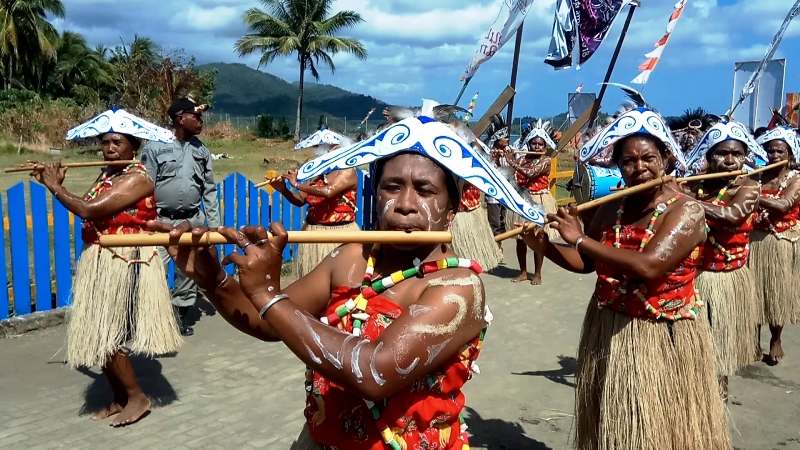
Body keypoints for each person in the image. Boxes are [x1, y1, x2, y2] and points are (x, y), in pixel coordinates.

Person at [150, 100, 543, 449]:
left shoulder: (456, 287)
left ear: (451, 210)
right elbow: (266, 323)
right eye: (392, 187)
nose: (405, 204)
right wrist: (213, 277)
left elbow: (374, 373)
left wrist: (271, 295)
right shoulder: (353, 258)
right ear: (376, 196)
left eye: (425, 191)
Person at [523, 106, 730, 450]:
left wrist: (579, 237)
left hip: (660, 333)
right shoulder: (610, 208)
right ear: (618, 166)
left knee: (659, 429)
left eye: (648, 158)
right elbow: (586, 264)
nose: (639, 168)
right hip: (608, 328)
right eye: (629, 162)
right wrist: (545, 246)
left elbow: (648, 266)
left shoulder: (687, 210)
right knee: (615, 426)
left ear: (665, 156)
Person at [36, 109, 181, 426]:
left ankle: (138, 398)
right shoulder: (108, 175)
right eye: (105, 142)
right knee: (95, 332)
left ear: (133, 145)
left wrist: (54, 188)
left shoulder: (138, 179)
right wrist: (59, 183)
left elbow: (88, 209)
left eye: (117, 142)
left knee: (108, 332)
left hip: (125, 260)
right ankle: (120, 398)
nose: (109, 148)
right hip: (100, 259)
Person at [683, 119, 764, 399]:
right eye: (722, 153)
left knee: (720, 343)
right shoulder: (696, 185)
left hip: (727, 279)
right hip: (694, 277)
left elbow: (732, 215)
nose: (730, 160)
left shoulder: (750, 187)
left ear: (745, 157)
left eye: (737, 154)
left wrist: (682, 199)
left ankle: (719, 394)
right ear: (709, 156)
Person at [140, 97, 221, 337]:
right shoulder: (155, 147)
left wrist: (214, 227)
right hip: (161, 221)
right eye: (196, 116)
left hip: (192, 220)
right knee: (153, 269)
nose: (200, 121)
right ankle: (149, 317)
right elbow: (144, 186)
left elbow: (209, 189)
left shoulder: (202, 150)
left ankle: (180, 316)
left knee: (188, 271)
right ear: (180, 118)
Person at [269, 139, 359, 279]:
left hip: (340, 232)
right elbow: (300, 200)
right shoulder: (316, 172)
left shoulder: (347, 171)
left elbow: (329, 191)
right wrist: (283, 189)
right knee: (311, 279)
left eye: (336, 148)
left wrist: (297, 184)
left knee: (340, 278)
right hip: (314, 231)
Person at [752, 126, 800, 364]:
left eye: (780, 151)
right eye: (770, 151)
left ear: (790, 154)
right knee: (754, 293)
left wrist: (748, 194)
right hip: (756, 240)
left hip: (781, 241)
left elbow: (784, 204)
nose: (774, 156)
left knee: (775, 293)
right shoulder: (758, 176)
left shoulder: (796, 178)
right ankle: (753, 340)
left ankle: (776, 338)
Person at [505, 120, 559, 285]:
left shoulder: (545, 161)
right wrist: (506, 159)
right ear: (528, 143)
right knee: (520, 238)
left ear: (544, 146)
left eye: (539, 144)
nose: (536, 146)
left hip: (539, 200)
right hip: (522, 200)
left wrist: (512, 162)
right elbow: (513, 176)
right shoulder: (521, 159)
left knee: (538, 237)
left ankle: (537, 274)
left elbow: (530, 173)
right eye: (533, 143)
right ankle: (522, 272)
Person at [484, 114, 511, 241]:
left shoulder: (510, 150)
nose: (507, 139)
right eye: (504, 137)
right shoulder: (488, 152)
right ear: (497, 139)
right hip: (493, 193)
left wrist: (511, 159)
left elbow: (514, 170)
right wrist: (494, 158)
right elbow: (486, 170)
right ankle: (496, 248)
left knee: (503, 221)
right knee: (494, 222)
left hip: (506, 192)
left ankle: (500, 246)